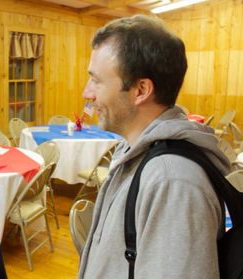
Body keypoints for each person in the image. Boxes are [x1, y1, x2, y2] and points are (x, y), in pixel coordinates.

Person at [78, 15, 230, 278]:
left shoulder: (173, 182)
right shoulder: (138, 154)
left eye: (97, 81)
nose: (87, 93)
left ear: (141, 90)